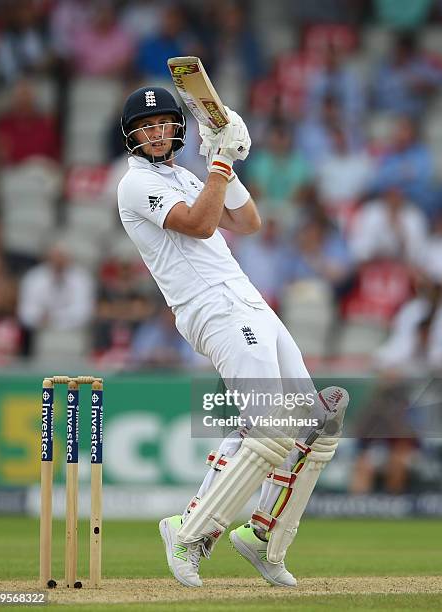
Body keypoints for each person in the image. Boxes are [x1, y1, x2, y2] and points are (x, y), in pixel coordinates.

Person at [117, 86, 349, 588]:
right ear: (131, 135)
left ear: (178, 128)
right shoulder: (133, 186)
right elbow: (200, 226)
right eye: (145, 127)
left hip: (248, 301)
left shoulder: (184, 175)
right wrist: (218, 164)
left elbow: (248, 221)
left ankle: (265, 536)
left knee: (317, 424)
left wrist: (224, 154)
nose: (156, 133)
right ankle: (189, 529)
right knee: (267, 423)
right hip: (210, 308)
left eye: (163, 124)